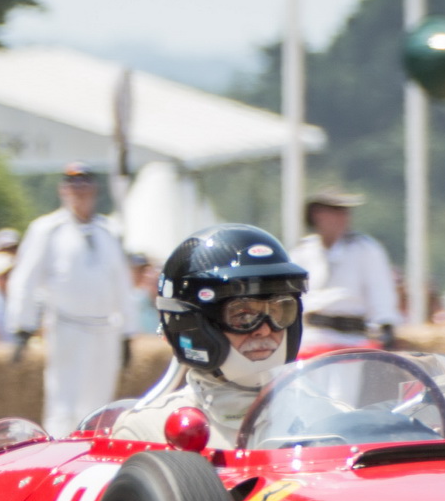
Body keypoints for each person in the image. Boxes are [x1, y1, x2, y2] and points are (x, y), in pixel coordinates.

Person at [111, 224, 308, 449]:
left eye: (278, 311)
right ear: (193, 324)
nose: (264, 330)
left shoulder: (326, 418)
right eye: (243, 315)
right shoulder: (148, 431)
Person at [7, 163, 135, 436]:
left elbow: (121, 284)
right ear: (62, 190)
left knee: (100, 402)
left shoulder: (108, 230)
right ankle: (59, 449)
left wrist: (127, 331)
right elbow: (26, 277)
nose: (79, 190)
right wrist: (22, 324)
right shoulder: (47, 229)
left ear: (95, 189)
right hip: (68, 326)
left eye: (85, 183)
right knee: (64, 401)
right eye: (72, 183)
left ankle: (96, 449)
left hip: (105, 328)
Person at [289, 190, 402, 350]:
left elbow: (381, 292)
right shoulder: (301, 252)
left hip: (352, 341)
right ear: (317, 214)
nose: (343, 217)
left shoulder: (365, 249)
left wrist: (385, 324)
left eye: (345, 212)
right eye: (335, 211)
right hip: (309, 340)